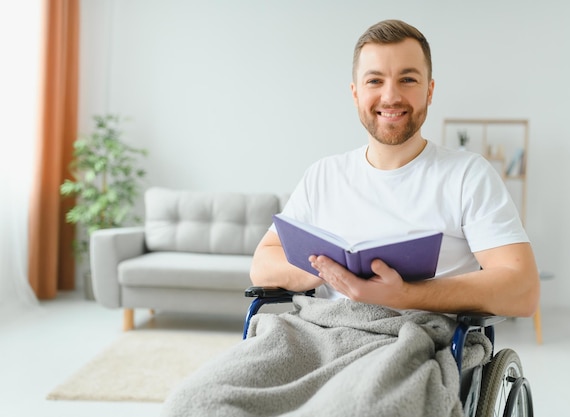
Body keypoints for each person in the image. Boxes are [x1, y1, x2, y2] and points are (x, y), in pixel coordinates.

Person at [161, 19, 540, 417]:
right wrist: (327, 270)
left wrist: (404, 296)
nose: (390, 96)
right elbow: (264, 263)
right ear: (356, 92)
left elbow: (522, 288)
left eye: (408, 79)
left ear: (430, 89)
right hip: (317, 330)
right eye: (375, 80)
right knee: (192, 403)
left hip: (412, 337)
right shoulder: (324, 175)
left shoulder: (467, 175)